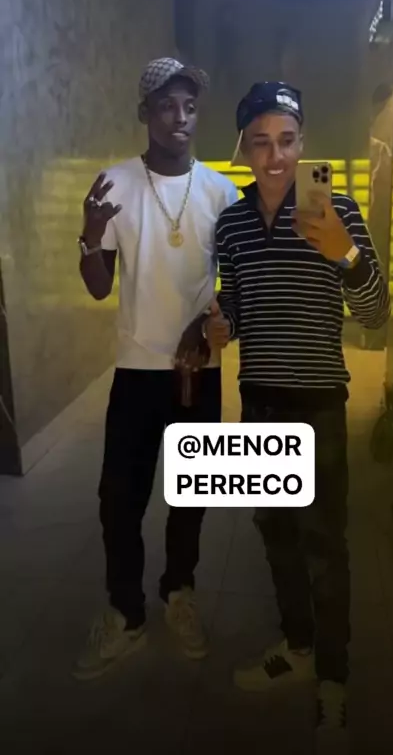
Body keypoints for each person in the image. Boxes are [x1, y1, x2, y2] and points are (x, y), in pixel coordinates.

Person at [204, 82, 390, 745]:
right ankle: (299, 645)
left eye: (286, 140)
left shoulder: (338, 212)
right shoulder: (231, 224)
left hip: (318, 406)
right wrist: (222, 324)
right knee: (275, 533)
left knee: (324, 548)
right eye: (261, 142)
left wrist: (345, 251)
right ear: (244, 149)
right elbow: (236, 305)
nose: (275, 156)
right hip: (259, 403)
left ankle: (333, 680)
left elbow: (375, 315)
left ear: (303, 142)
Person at [74, 57, 238, 680]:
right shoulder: (114, 184)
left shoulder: (221, 192)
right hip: (136, 370)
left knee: (192, 496)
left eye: (190, 106)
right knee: (119, 497)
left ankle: (179, 592)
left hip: (198, 371)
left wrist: (210, 320)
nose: (180, 118)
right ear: (145, 113)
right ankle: (126, 612)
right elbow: (98, 286)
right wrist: (90, 235)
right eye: (167, 105)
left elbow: (233, 282)